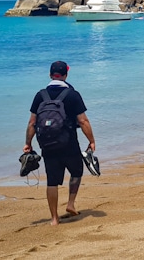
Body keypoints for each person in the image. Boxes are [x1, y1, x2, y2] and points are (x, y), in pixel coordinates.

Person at [24, 61, 96, 226]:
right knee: (76, 171)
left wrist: (28, 143)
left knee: (52, 181)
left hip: (47, 144)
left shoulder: (40, 95)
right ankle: (70, 203)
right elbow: (83, 121)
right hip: (69, 142)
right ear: (66, 75)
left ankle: (54, 219)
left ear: (50, 75)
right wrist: (91, 140)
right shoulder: (72, 94)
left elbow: (32, 123)